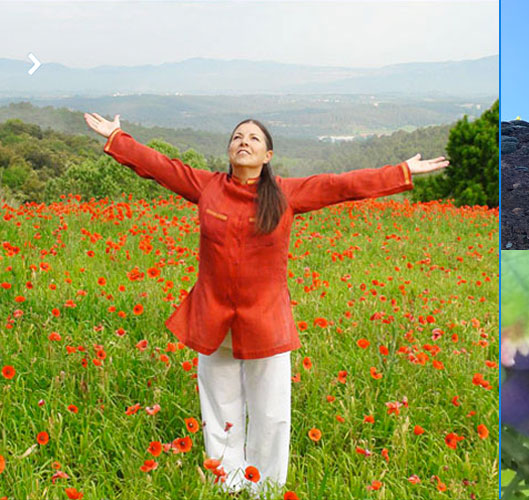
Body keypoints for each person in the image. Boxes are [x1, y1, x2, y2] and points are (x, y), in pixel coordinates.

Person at [83, 112, 450, 497]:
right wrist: (117, 138)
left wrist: (401, 171)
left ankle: (267, 489)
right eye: (238, 137)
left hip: (265, 321)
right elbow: (160, 167)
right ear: (228, 150)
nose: (244, 141)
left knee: (271, 415)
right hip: (213, 319)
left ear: (268, 155)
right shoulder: (207, 187)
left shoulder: (288, 194)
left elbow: (342, 185)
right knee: (219, 410)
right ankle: (227, 483)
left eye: (254, 139)